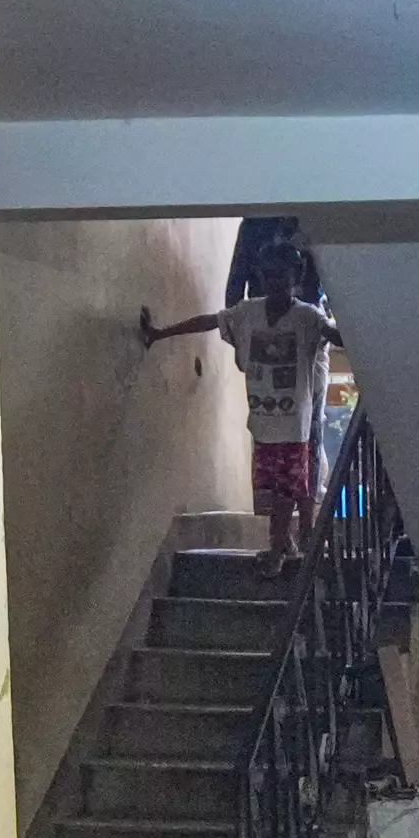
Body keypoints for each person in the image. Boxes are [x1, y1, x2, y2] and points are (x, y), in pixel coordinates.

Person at [138, 215, 342, 571]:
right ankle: (285, 544)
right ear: (262, 280)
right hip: (262, 425)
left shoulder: (307, 318)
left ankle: (280, 551)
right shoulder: (248, 312)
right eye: (270, 279)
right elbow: (212, 318)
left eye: (284, 279)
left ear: (295, 282)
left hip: (294, 426)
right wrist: (160, 333)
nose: (277, 286)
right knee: (271, 490)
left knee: (283, 492)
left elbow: (332, 332)